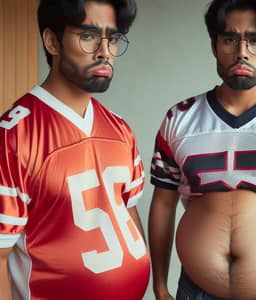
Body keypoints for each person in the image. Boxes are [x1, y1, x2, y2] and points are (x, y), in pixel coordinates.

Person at [149, 0, 256, 299]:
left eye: (255, 40)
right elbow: (163, 205)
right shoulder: (179, 118)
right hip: (196, 291)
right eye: (230, 39)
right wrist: (160, 284)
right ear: (214, 46)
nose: (242, 51)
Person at [0, 0, 150, 299]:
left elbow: (127, 210)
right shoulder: (14, 135)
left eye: (113, 38)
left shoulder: (119, 128)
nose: (105, 51)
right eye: (88, 35)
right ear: (52, 41)